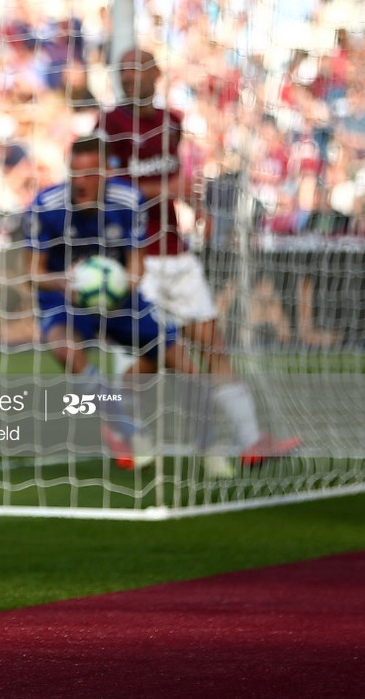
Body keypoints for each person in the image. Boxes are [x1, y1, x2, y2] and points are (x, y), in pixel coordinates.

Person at [100, 48, 299, 474]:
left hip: (176, 253)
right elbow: (111, 193)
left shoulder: (172, 122)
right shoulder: (109, 125)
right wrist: (168, 188)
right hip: (139, 261)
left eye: (137, 69)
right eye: (123, 71)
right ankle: (129, 434)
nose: (129, 78)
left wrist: (196, 204)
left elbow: (176, 184)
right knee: (146, 360)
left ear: (156, 73)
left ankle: (250, 442)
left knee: (213, 345)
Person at [21, 136, 196, 471]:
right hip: (65, 296)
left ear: (106, 172)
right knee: (63, 348)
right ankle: (128, 430)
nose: (81, 182)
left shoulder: (128, 200)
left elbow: (137, 264)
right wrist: (63, 281)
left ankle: (211, 443)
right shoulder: (46, 205)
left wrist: (120, 284)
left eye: (90, 174)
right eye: (75, 173)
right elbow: (32, 272)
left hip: (120, 297)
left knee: (180, 358)